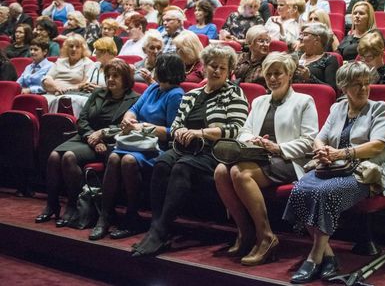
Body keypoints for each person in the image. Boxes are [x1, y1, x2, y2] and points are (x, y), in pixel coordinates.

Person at [283, 62, 385, 284]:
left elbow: (377, 145)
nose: (364, 88)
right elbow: (320, 137)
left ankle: (314, 258)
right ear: (344, 87)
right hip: (335, 167)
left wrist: (340, 153)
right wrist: (321, 150)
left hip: (366, 172)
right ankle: (329, 256)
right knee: (300, 189)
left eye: (366, 83)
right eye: (357, 84)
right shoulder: (337, 108)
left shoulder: (379, 108)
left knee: (325, 193)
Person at [131, 45, 249, 257]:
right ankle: (156, 226)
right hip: (185, 147)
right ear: (204, 67)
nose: (217, 71)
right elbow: (176, 125)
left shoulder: (234, 94)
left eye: (222, 67)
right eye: (213, 66)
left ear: (229, 70)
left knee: (182, 167)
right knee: (162, 163)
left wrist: (200, 133)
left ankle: (160, 231)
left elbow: (236, 129)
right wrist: (181, 132)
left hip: (214, 151)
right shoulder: (192, 94)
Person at [215, 52, 318, 265]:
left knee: (240, 174)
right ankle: (245, 231)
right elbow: (244, 131)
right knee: (220, 171)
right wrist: (254, 140)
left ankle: (266, 236)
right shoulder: (260, 101)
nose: (272, 78)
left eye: (278, 73)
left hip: (290, 160)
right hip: (258, 155)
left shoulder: (304, 101)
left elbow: (309, 141)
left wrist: (277, 147)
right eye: (268, 74)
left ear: (289, 74)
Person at [89, 54, 185, 241]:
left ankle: (132, 216)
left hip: (156, 146)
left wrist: (142, 127)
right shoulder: (153, 88)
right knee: (114, 157)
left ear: (164, 70)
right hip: (136, 141)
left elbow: (172, 131)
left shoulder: (176, 95)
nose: (154, 70)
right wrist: (128, 118)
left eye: (157, 66)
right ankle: (105, 215)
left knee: (128, 160)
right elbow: (134, 109)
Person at [35, 59, 139, 227]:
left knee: (68, 157)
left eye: (115, 76)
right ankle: (52, 204)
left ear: (125, 78)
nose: (110, 79)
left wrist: (101, 137)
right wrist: (91, 136)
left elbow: (126, 127)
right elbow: (82, 119)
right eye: (108, 76)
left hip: (109, 143)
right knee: (54, 156)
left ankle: (73, 205)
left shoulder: (134, 99)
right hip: (85, 137)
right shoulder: (98, 93)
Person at [294, 23, 339, 91]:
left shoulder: (329, 59)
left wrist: (309, 77)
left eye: (305, 35)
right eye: (301, 34)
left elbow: (331, 89)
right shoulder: (295, 56)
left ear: (317, 40)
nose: (300, 38)